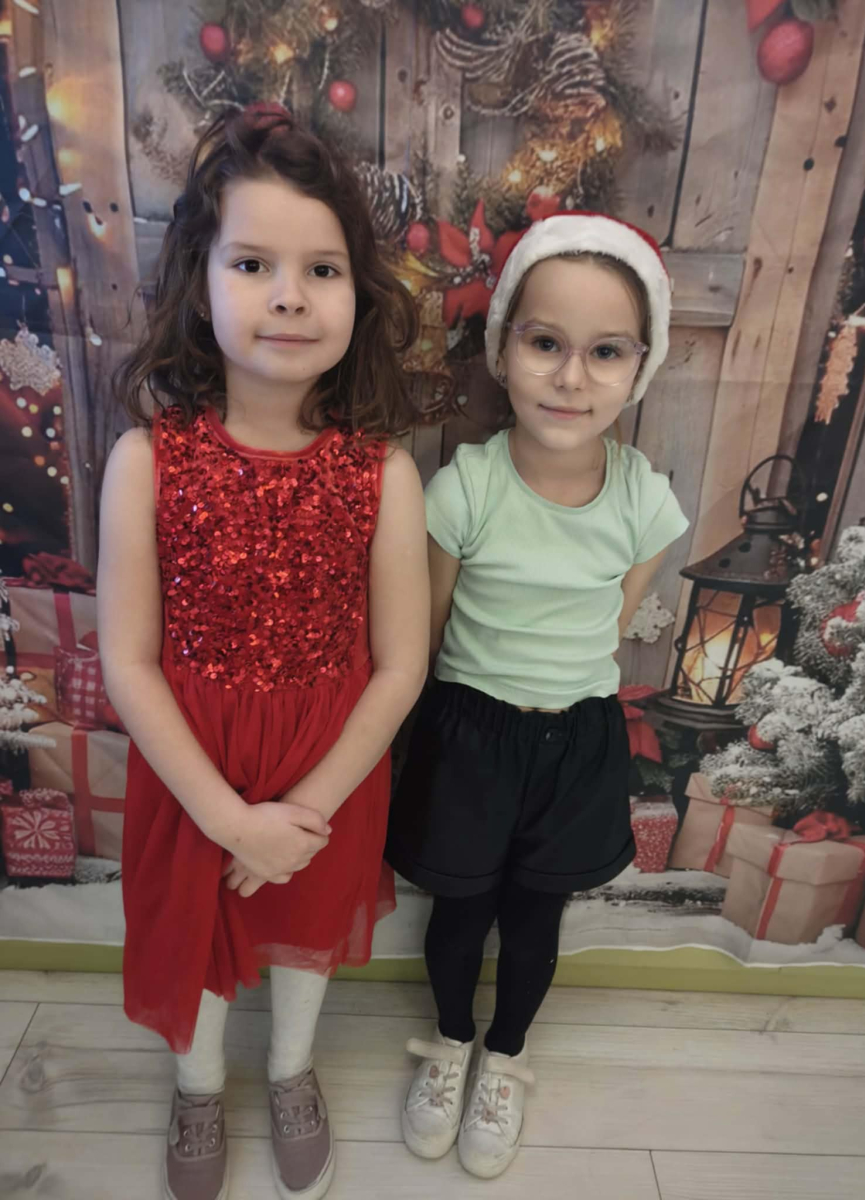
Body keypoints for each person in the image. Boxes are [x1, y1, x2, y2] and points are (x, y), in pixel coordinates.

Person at [97, 109, 429, 1200]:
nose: (289, 295)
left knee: (302, 927)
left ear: (357, 294)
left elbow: (400, 666)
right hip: (190, 769)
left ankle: (290, 1067)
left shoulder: (384, 475)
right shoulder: (146, 462)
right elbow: (129, 662)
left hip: (327, 770)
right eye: (253, 264)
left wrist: (305, 812)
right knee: (192, 932)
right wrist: (229, 818)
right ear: (202, 284)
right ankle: (197, 1084)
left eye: (321, 269)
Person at [386, 213, 690, 1179]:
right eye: (546, 342)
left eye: (606, 352)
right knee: (460, 910)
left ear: (640, 366)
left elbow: (612, 621)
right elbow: (429, 629)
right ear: (504, 346)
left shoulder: (644, 501)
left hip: (577, 743)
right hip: (470, 736)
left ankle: (506, 1057)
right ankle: (448, 1043)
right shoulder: (465, 489)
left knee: (534, 917)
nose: (571, 377)